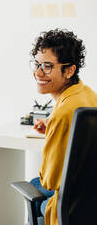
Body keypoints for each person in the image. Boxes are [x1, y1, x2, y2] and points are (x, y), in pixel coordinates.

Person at [29, 29, 97, 224]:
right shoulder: (87, 94)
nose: (38, 72)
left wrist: (55, 127)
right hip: (91, 197)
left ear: (69, 70)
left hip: (69, 204)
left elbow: (49, 180)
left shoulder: (63, 112)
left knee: (34, 184)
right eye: (37, 64)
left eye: (48, 66)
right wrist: (52, 125)